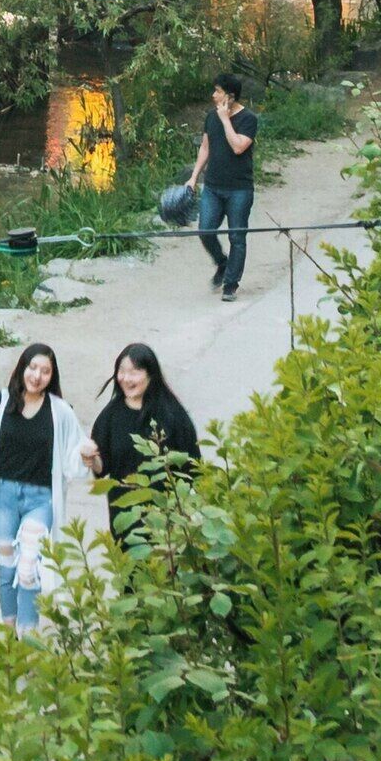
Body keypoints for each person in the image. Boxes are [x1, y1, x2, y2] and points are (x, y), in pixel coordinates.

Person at [0, 342, 92, 632]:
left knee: (29, 568)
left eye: (45, 371)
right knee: (6, 568)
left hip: (40, 499)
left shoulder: (60, 411)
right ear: (22, 368)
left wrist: (86, 456)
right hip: (2, 495)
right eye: (33, 367)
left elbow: (73, 454)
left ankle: (28, 637)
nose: (37, 376)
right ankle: (10, 636)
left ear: (52, 377)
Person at [82, 342, 198, 524]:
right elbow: (102, 467)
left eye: (134, 372)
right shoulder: (110, 416)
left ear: (151, 374)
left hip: (167, 519)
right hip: (125, 517)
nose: (126, 378)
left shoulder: (173, 415)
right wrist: (91, 459)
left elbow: (193, 468)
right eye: (122, 371)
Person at [185, 75, 259, 301]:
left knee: (237, 236)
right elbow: (205, 148)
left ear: (230, 96)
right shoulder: (210, 117)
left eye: (217, 91)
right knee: (205, 229)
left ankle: (231, 284)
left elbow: (238, 147)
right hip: (213, 187)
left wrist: (226, 120)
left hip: (239, 189)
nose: (213, 95)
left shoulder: (249, 119)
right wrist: (194, 177)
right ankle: (222, 263)